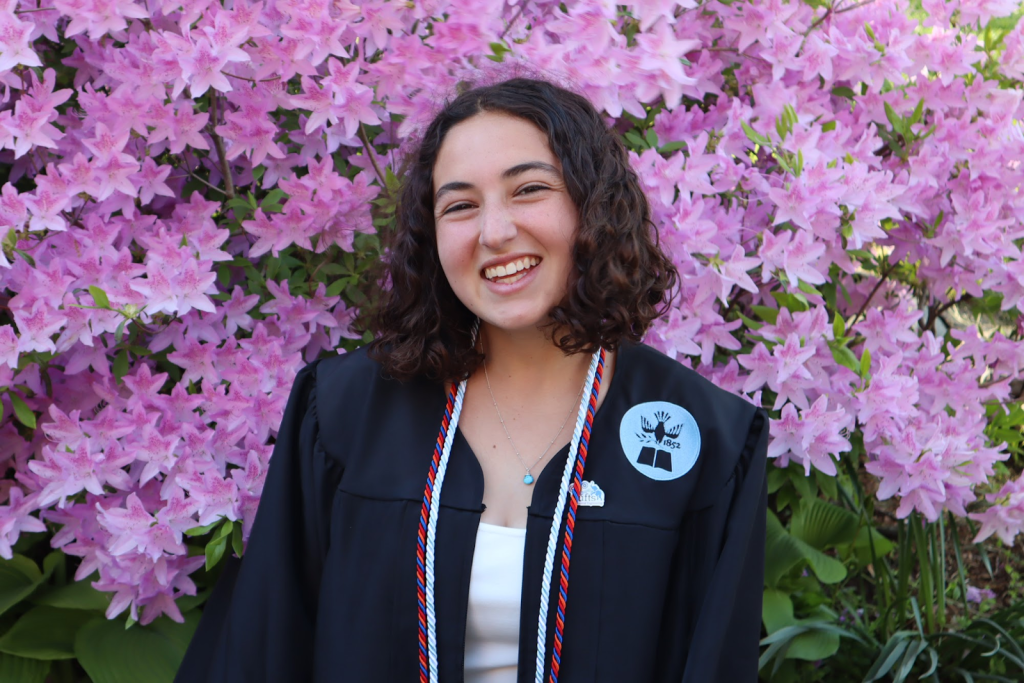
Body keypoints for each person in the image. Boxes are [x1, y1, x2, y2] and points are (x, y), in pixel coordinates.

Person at [175, 77, 769, 683]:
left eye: (529, 189)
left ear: (594, 206)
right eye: (460, 205)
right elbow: (264, 647)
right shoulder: (346, 414)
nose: (494, 232)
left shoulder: (704, 439)